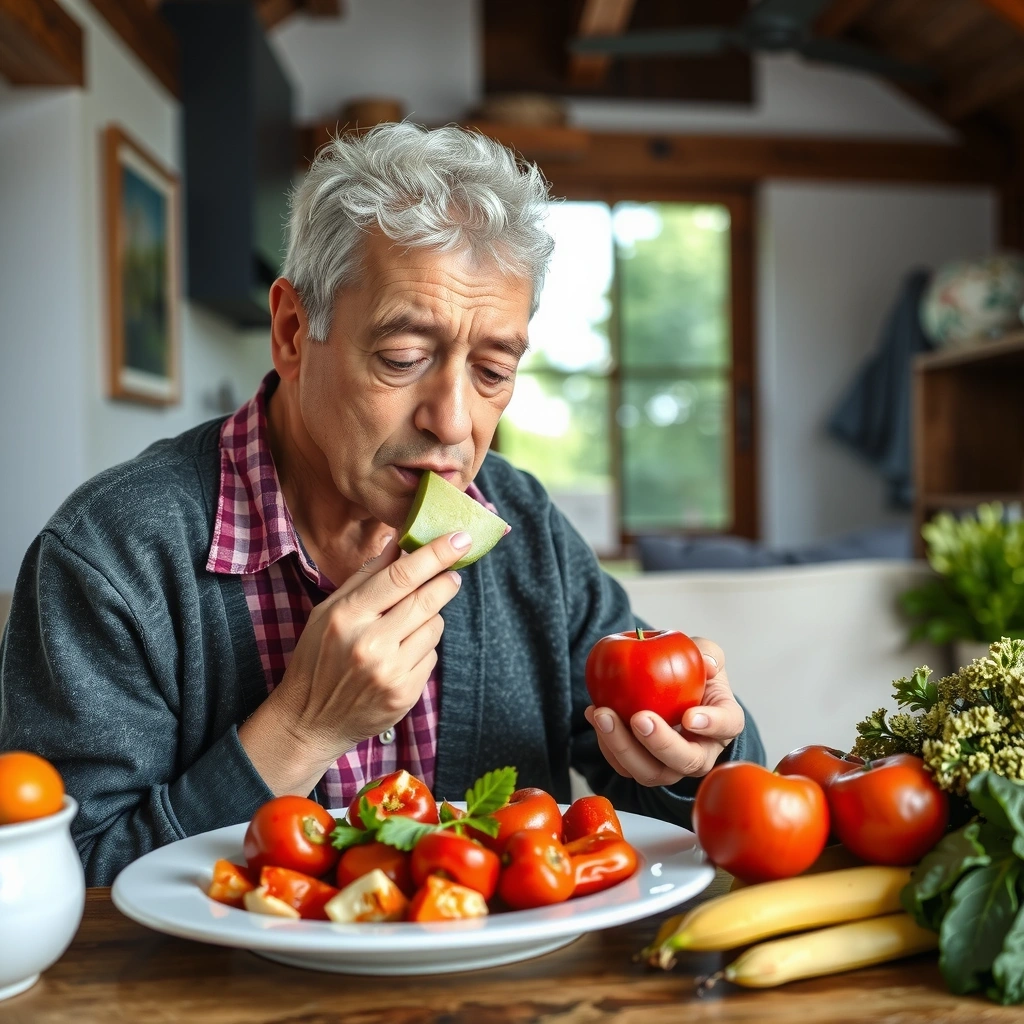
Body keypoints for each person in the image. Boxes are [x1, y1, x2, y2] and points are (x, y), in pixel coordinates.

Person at [0, 123, 764, 886]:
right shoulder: (111, 553)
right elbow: (60, 886)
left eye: (493, 372)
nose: (455, 422)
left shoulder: (522, 525)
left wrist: (699, 757)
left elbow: (690, 811)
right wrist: (302, 727)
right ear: (294, 331)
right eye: (404, 359)